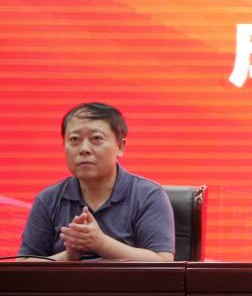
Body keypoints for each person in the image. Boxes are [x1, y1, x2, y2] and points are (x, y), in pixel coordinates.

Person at [18, 102, 175, 262]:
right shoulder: (48, 199)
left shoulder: (148, 195)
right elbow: (23, 265)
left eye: (96, 138)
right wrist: (69, 256)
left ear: (120, 147)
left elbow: (163, 261)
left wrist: (102, 244)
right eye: (74, 139)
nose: (84, 149)